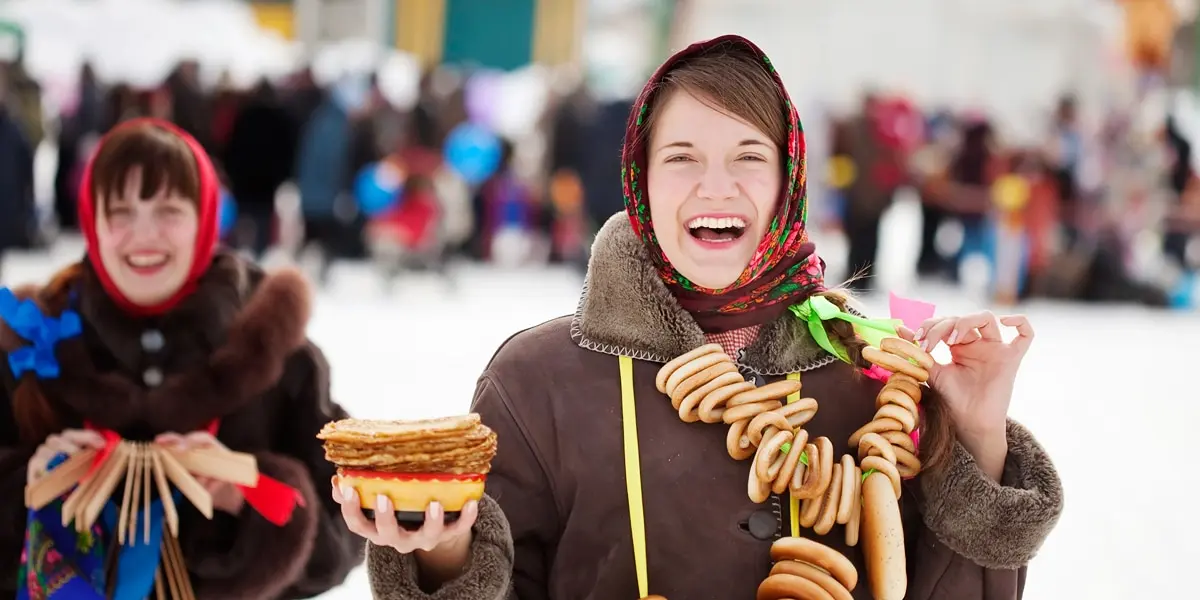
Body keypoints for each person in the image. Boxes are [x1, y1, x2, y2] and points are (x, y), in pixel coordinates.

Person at [340, 36, 1064, 599]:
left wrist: (976, 432)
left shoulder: (872, 378)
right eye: (682, 157)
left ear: (787, 183)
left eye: (748, 156)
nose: (715, 187)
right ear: (641, 181)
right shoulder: (538, 382)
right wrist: (442, 553)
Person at [0, 118, 363, 599]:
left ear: (205, 217)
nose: (144, 235)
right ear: (92, 222)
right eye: (121, 212)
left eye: (168, 210)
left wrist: (251, 495)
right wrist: (29, 487)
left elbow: (347, 532)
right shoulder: (28, 345)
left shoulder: (277, 354)